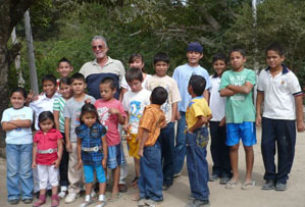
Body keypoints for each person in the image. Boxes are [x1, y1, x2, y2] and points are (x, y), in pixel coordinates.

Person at [256, 43, 305, 191]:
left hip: (286, 118)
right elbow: (260, 94)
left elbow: (298, 98)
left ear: (282, 58)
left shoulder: (290, 76)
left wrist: (300, 120)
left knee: (286, 149)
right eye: (269, 57)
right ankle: (270, 177)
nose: (271, 60)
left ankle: (282, 178)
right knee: (266, 147)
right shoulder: (263, 74)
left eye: (274, 57)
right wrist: (258, 113)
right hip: (268, 118)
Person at [219, 48, 256, 190]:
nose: (235, 60)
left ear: (244, 59)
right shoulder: (226, 74)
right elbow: (222, 92)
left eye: (238, 57)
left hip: (247, 116)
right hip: (232, 116)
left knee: (248, 147)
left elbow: (247, 90)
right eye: (232, 58)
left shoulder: (250, 73)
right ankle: (235, 176)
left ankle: (248, 177)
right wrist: (240, 87)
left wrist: (230, 86)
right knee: (233, 147)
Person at [172, 42, 211, 176]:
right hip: (184, 111)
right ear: (187, 54)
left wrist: (206, 111)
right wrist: (175, 109)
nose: (193, 55)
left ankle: (197, 169)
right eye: (190, 52)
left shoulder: (203, 71)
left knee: (198, 141)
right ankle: (176, 169)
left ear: (201, 55)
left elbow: (206, 92)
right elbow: (174, 90)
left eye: (196, 52)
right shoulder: (179, 70)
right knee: (181, 141)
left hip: (198, 113)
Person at [146, 52, 181, 190]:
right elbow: (146, 100)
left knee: (168, 152)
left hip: (167, 122)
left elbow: (174, 101)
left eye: (164, 65)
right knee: (155, 152)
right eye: (158, 65)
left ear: (168, 66)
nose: (161, 67)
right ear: (154, 66)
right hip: (153, 124)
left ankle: (168, 178)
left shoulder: (171, 81)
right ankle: (156, 177)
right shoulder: (149, 81)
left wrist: (172, 120)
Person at [64, 73, 96, 204]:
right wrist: (67, 140)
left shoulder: (91, 100)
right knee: (74, 164)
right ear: (71, 86)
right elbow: (67, 122)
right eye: (75, 84)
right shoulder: (69, 103)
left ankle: (90, 187)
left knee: (89, 163)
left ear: (85, 85)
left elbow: (95, 119)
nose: (77, 87)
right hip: (73, 138)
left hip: (89, 139)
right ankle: (73, 189)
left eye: (80, 84)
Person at [94, 77, 126, 200]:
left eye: (105, 91)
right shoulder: (97, 103)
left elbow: (123, 121)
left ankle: (115, 187)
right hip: (99, 141)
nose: (103, 93)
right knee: (103, 164)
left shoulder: (117, 103)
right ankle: (103, 186)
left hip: (113, 140)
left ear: (113, 90)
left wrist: (117, 113)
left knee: (115, 165)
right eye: (101, 91)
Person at [1, 88, 34, 205]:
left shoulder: (28, 110)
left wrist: (11, 123)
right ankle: (13, 194)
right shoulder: (7, 112)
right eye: (14, 98)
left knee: (26, 171)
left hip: (26, 144)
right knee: (12, 171)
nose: (17, 100)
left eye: (20, 98)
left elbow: (28, 123)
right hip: (11, 145)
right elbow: (4, 127)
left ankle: (27, 194)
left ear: (25, 100)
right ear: (10, 99)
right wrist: (20, 123)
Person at [29, 74, 61, 194]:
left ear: (55, 86)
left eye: (50, 85)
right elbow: (29, 109)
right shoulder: (38, 100)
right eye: (45, 85)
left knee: (53, 160)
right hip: (40, 134)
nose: (48, 87)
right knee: (40, 160)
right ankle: (40, 188)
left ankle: (52, 187)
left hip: (53, 133)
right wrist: (29, 100)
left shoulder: (59, 98)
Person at [137, 87, 167, 207]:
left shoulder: (149, 112)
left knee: (151, 172)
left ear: (150, 98)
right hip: (154, 145)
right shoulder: (160, 112)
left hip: (148, 146)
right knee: (148, 170)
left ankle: (155, 196)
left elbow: (145, 130)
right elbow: (163, 124)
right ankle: (145, 194)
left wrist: (140, 147)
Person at [185, 75, 212, 207]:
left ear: (190, 88)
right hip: (203, 134)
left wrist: (191, 129)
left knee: (195, 164)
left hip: (195, 134)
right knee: (201, 161)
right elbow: (209, 115)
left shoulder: (194, 103)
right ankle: (202, 190)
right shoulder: (203, 100)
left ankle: (201, 196)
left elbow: (202, 119)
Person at [122, 68, 151, 186]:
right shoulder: (127, 95)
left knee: (145, 156)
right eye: (130, 84)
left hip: (144, 132)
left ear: (141, 80)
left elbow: (150, 114)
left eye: (136, 83)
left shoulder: (147, 94)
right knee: (136, 157)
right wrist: (125, 123)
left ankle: (147, 180)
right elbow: (126, 113)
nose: (133, 87)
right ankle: (138, 177)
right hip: (132, 132)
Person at [76, 103, 108, 207]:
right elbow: (79, 144)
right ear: (82, 117)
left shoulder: (100, 128)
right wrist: (80, 158)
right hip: (86, 157)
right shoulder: (80, 129)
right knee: (88, 178)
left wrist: (105, 158)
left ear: (96, 117)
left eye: (93, 117)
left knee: (101, 177)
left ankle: (102, 198)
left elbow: (104, 143)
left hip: (98, 156)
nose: (90, 120)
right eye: (87, 117)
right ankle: (87, 197)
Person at [32, 111, 63, 207]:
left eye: (49, 123)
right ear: (39, 124)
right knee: (42, 179)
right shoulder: (38, 134)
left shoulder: (56, 133)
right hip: (40, 161)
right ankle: (42, 198)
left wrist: (58, 159)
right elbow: (35, 147)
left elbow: (60, 146)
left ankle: (54, 197)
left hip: (52, 160)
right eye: (43, 124)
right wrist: (34, 160)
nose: (46, 126)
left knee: (53, 179)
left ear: (53, 123)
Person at [209, 53, 231, 184]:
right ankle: (216, 169)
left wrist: (227, 115)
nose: (219, 66)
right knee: (215, 145)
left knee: (226, 145)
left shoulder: (229, 79)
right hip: (213, 117)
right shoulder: (210, 79)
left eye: (221, 64)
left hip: (226, 117)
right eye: (216, 64)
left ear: (226, 65)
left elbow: (232, 99)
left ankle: (227, 171)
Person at [79, 35, 125, 100]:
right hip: (92, 108)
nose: (97, 49)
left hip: (113, 108)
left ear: (106, 48)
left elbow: (124, 89)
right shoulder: (86, 67)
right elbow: (77, 87)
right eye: (94, 47)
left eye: (100, 46)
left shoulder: (117, 64)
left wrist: (120, 105)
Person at [53, 77, 72, 198]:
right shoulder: (57, 100)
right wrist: (58, 135)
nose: (64, 91)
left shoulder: (75, 100)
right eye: (62, 88)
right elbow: (56, 117)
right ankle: (64, 184)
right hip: (61, 133)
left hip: (74, 133)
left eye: (67, 88)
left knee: (74, 159)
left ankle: (74, 184)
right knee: (63, 159)